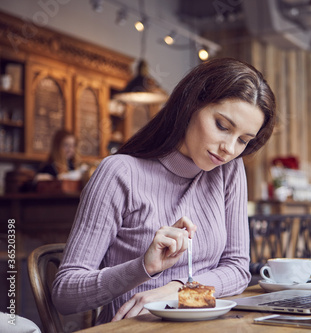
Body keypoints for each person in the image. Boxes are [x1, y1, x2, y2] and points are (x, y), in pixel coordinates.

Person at [52, 58, 277, 324]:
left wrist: (181, 289)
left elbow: (238, 270)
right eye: (222, 126)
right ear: (191, 105)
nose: (229, 148)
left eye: (243, 140)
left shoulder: (229, 170)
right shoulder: (120, 173)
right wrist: (143, 268)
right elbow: (65, 294)